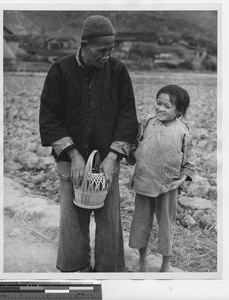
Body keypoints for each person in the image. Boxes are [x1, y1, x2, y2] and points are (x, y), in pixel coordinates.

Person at [39, 15, 138, 272]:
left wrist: (113, 157)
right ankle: (75, 269)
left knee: (109, 222)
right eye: (102, 50)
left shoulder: (117, 71)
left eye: (111, 50)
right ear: (84, 44)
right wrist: (73, 155)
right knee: (72, 221)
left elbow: (127, 115)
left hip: (107, 160)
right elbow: (50, 116)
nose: (107, 55)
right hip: (70, 160)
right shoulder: (60, 70)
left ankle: (108, 272)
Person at [128, 84, 196, 272]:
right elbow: (133, 144)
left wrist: (181, 180)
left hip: (168, 186)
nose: (160, 108)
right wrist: (134, 153)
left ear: (179, 111)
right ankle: (142, 260)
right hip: (144, 182)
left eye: (167, 106)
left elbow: (190, 161)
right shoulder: (147, 122)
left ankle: (165, 263)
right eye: (158, 103)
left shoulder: (182, 130)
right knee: (141, 223)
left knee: (166, 225)